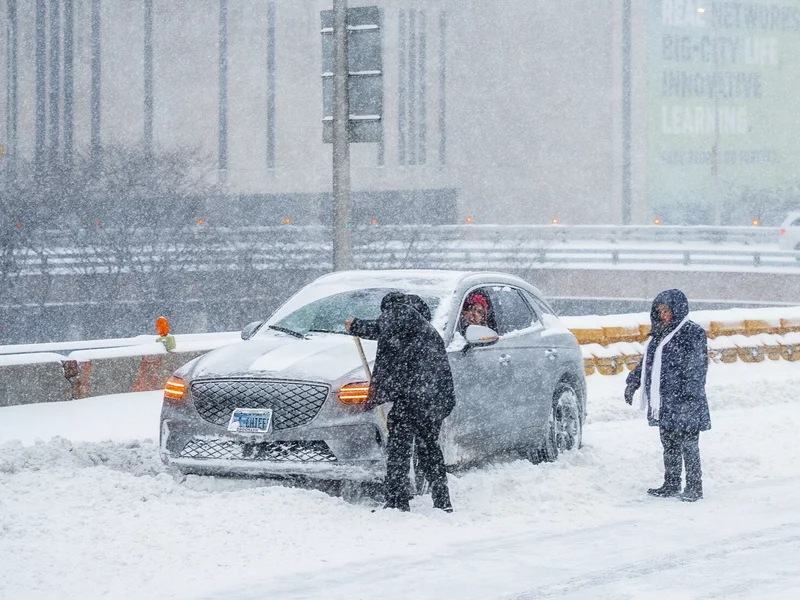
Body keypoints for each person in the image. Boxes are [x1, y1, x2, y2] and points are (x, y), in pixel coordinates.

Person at [345, 292, 456, 512]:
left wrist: (356, 325)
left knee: (399, 448)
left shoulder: (401, 311)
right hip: (434, 397)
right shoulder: (423, 327)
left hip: (415, 396)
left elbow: (389, 322)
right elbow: (388, 330)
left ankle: (397, 502)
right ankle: (443, 503)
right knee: (429, 449)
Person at [624, 289, 711, 502]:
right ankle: (671, 483)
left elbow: (698, 367)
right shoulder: (659, 333)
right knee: (669, 443)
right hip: (664, 400)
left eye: (667, 310)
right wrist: (632, 382)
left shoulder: (692, 332)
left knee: (689, 444)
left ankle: (694, 487)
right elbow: (648, 363)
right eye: (660, 311)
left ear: (678, 310)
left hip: (685, 399)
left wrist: (689, 394)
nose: (663, 315)